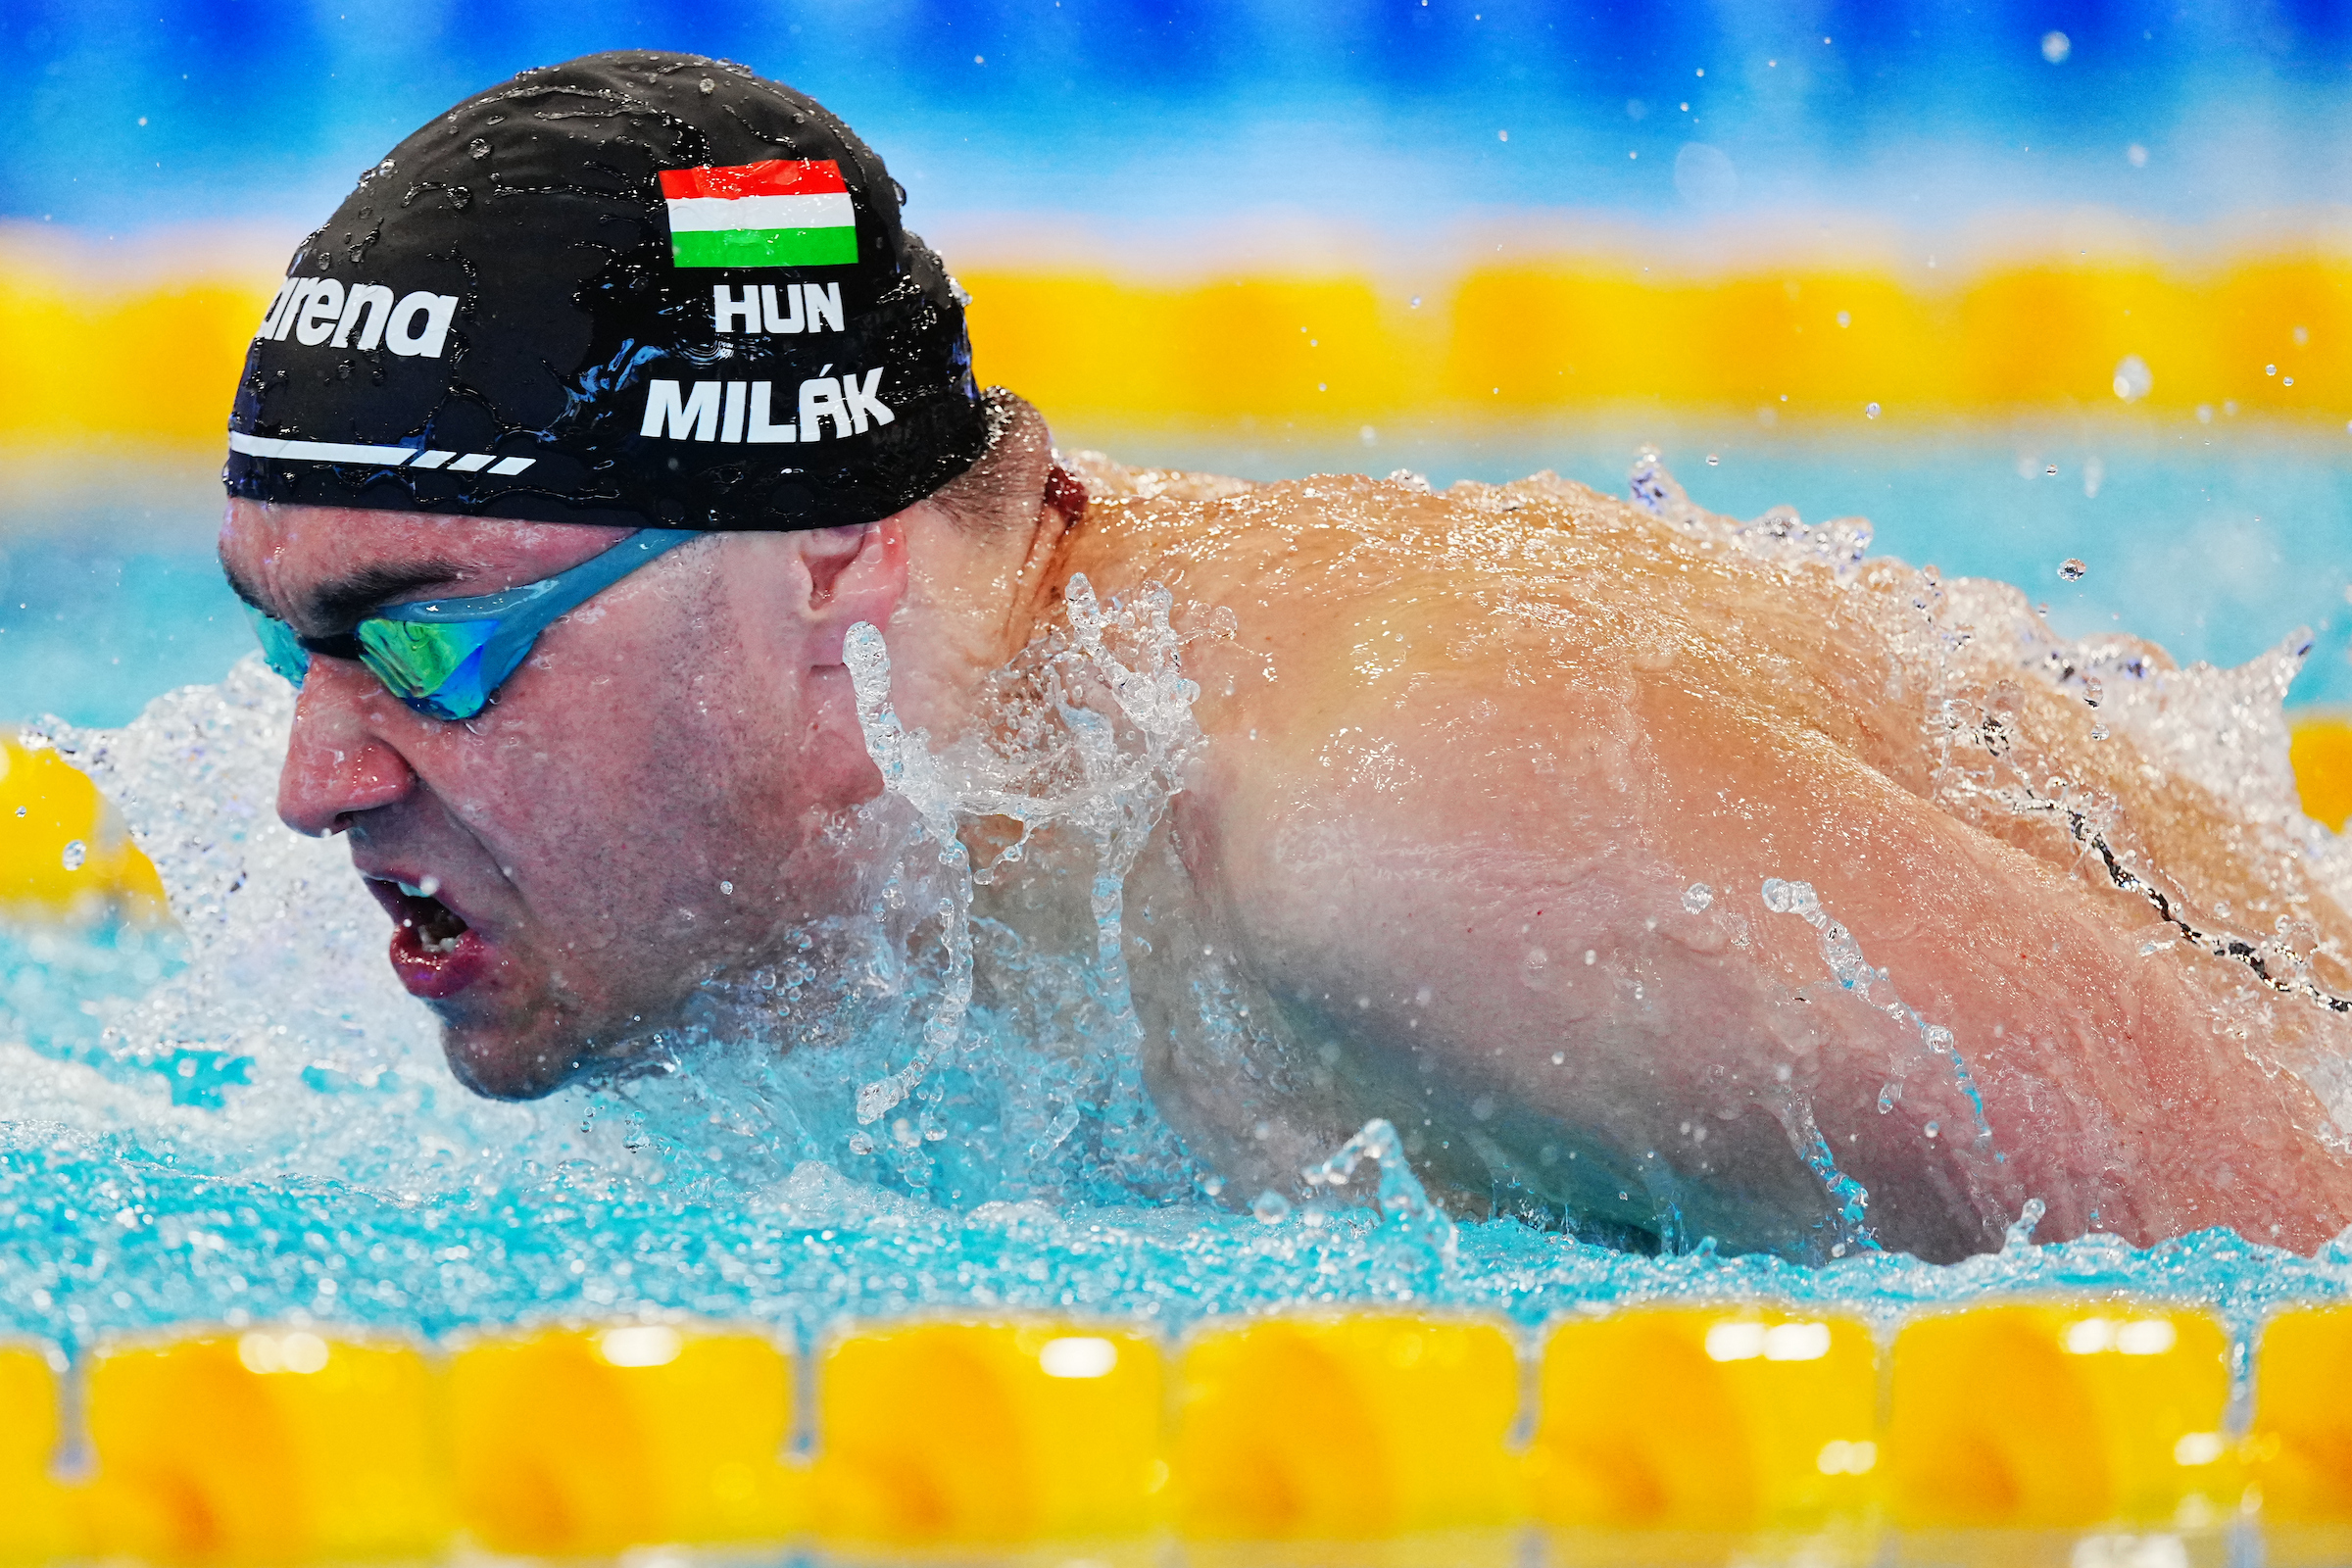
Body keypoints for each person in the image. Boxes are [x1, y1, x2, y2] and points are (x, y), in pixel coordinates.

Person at [219, 50, 2352, 1262]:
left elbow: (2283, 1280)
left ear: (832, 559)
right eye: (293, 647)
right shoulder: (940, 827)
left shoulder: (1414, 819)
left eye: (424, 638)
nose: (318, 782)